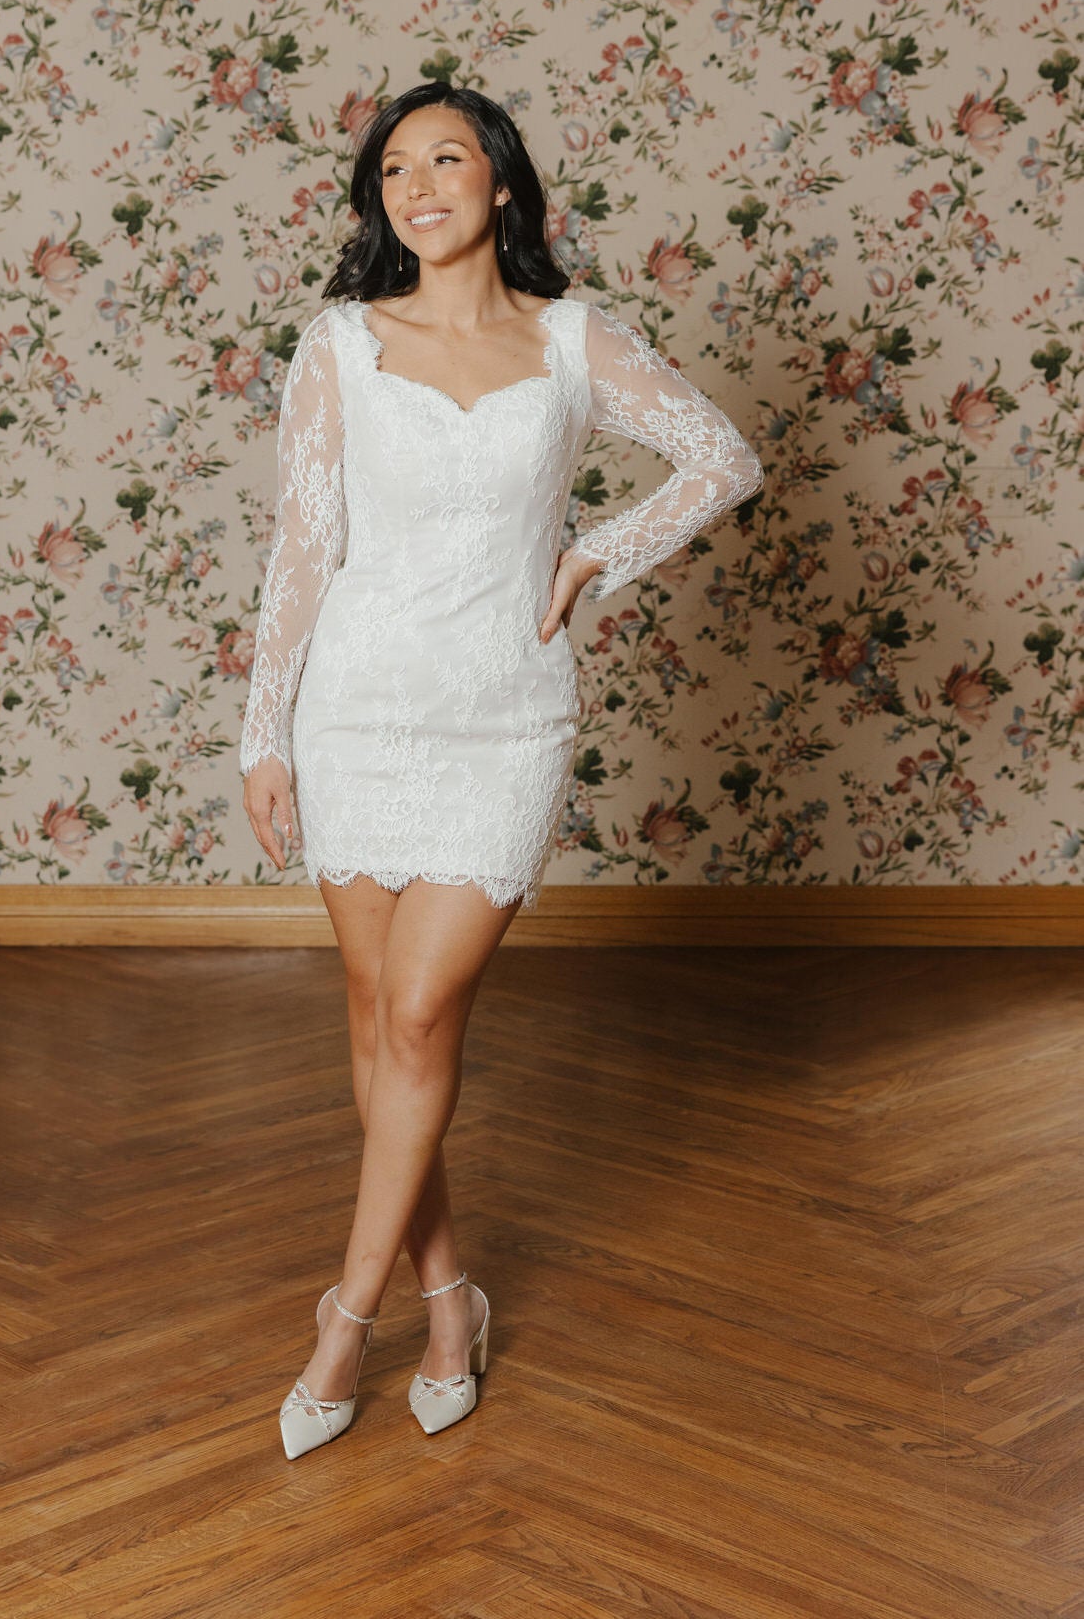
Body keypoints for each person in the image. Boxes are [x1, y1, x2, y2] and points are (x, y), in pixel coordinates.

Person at [239, 83, 763, 1458]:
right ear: (379, 204)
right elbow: (303, 546)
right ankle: (446, 1299)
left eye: (446, 159)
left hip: (505, 716)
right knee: (376, 1019)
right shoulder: (341, 343)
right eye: (393, 169)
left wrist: (597, 552)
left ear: (503, 186)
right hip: (355, 710)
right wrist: (262, 730)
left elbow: (722, 456)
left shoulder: (573, 337)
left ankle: (343, 1321)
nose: (418, 186)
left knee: (418, 1013)